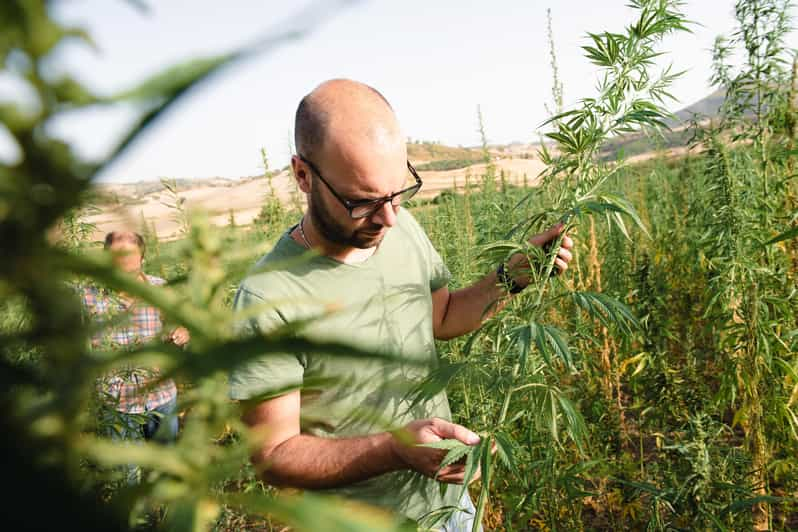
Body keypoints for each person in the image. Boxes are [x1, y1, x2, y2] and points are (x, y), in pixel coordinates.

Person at [230, 79, 574, 530]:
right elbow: (274, 457)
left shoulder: (401, 227)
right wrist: (393, 450)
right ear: (303, 176)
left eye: (397, 192)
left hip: (450, 506)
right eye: (363, 201)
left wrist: (510, 278)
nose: (389, 217)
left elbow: (442, 316)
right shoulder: (267, 298)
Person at [79, 230, 190, 484]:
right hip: (116, 402)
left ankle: (165, 518)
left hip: (161, 397)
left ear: (142, 256)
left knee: (164, 470)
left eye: (129, 253)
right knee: (125, 479)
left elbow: (181, 328)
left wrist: (182, 334)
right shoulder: (88, 296)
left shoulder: (161, 289)